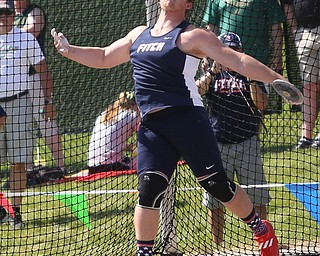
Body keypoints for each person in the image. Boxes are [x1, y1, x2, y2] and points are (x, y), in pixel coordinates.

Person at [51, 0, 287, 254]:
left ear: (188, 4)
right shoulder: (139, 34)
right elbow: (104, 56)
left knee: (216, 183)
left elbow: (238, 61)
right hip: (153, 126)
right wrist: (69, 49)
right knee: (149, 188)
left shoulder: (192, 36)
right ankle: (145, 252)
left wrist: (277, 79)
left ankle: (260, 228)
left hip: (188, 120)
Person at [197, 32, 271, 245]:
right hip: (217, 143)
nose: (229, 55)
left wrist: (249, 76)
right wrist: (212, 72)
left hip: (247, 142)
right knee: (215, 199)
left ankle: (263, 241)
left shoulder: (251, 70)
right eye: (225, 51)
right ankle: (218, 244)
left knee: (257, 196)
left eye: (234, 51)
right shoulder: (212, 73)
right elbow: (194, 90)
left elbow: (262, 104)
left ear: (241, 52)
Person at [0, 0, 54, 229]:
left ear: (14, 15)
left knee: (19, 163)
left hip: (20, 103)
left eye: (7, 14)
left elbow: (43, 70)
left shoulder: (26, 39)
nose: (3, 17)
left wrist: (49, 102)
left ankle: (16, 214)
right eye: (0, 13)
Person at [13, 0, 66, 171]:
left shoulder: (34, 12)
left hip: (33, 76)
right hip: (12, 80)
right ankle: (28, 169)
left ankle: (62, 167)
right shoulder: (7, 14)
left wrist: (6, 34)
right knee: (20, 125)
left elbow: (31, 30)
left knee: (46, 121)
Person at [202, 0, 284, 73]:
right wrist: (205, 56)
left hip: (257, 64)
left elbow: (276, 29)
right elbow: (211, 29)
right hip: (224, 63)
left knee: (257, 89)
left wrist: (277, 57)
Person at [282, 0, 320, 149]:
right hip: (303, 34)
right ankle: (306, 136)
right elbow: (287, 4)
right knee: (309, 86)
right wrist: (295, 31)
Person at [87, 91, 140, 174]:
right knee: (147, 160)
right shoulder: (132, 114)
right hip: (112, 166)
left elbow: (112, 143)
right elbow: (146, 138)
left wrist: (132, 147)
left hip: (93, 167)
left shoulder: (104, 114)